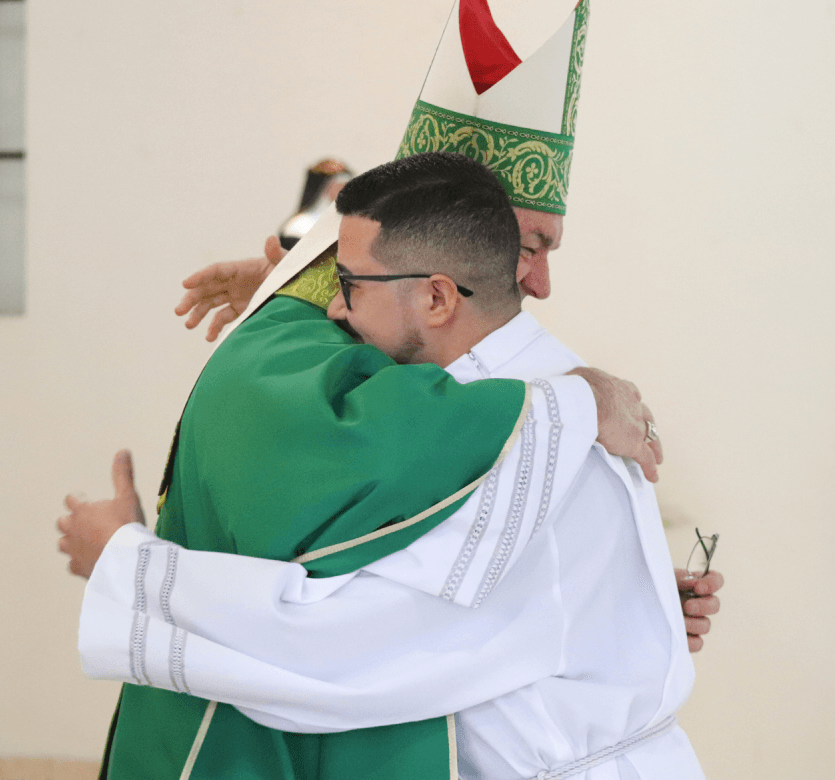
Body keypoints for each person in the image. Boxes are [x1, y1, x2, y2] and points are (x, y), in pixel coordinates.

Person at [64, 152, 706, 779]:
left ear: (436, 298)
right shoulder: (549, 394)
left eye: (346, 285)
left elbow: (329, 653)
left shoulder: (528, 434)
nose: (335, 311)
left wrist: (123, 564)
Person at [172, 0, 723, 646]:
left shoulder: (503, 376)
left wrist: (626, 599)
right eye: (529, 246)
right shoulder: (334, 372)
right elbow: (362, 628)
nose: (540, 284)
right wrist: (581, 403)